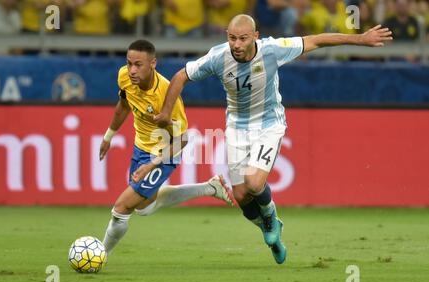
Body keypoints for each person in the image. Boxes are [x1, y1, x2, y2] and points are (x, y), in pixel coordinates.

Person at [153, 14, 393, 264]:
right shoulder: (218, 57)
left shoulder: (272, 50)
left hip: (269, 124)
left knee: (254, 183)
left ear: (255, 37)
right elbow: (181, 76)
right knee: (241, 196)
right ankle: (271, 228)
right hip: (237, 127)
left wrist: (361, 39)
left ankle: (269, 216)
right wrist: (166, 113)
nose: (236, 44)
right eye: (232, 38)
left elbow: (317, 40)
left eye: (243, 38)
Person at [100, 39, 234, 256]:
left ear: (153, 63)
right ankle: (210, 188)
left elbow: (182, 140)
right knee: (144, 208)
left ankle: (99, 254)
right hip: (140, 147)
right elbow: (124, 105)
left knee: (121, 208)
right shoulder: (124, 76)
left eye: (138, 65)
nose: (132, 70)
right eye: (129, 63)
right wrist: (109, 136)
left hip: (165, 153)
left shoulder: (166, 95)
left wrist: (151, 165)